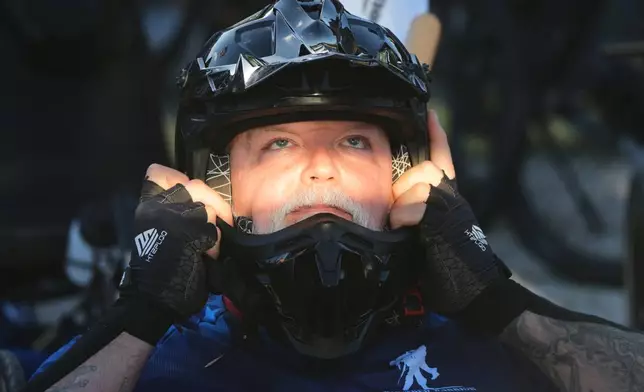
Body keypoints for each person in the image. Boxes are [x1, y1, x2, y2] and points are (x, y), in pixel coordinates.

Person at [28, 1, 644, 391]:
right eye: (278, 145)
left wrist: (497, 300)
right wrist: (142, 313)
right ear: (218, 185)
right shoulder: (149, 362)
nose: (321, 169)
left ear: (408, 177)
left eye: (353, 141)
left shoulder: (502, 351)